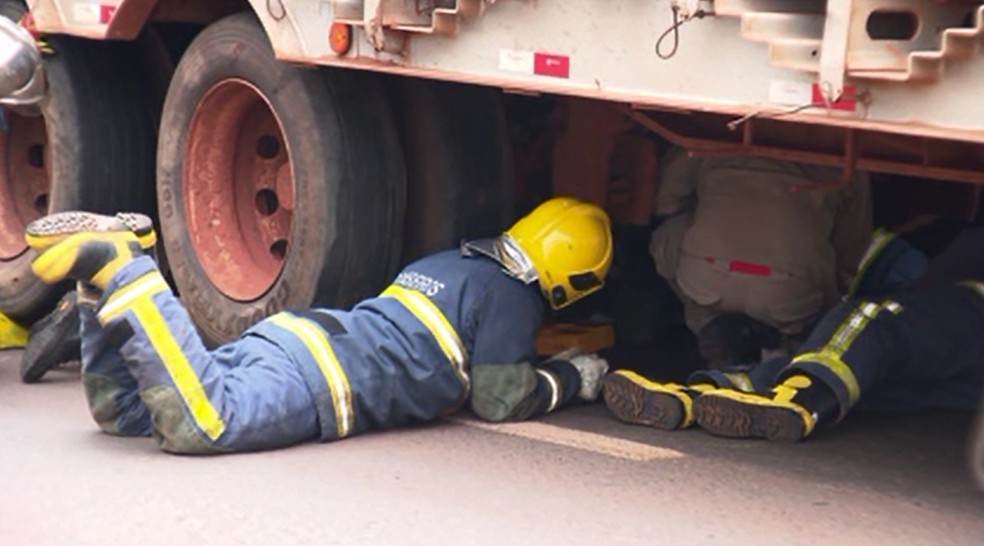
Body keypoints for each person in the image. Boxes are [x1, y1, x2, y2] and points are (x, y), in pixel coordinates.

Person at [24, 197, 614, 454]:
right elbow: (498, 398)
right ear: (573, 277)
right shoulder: (514, 295)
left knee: (129, 415)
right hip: (321, 378)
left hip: (295, 340)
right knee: (205, 425)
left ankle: (93, 283)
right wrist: (573, 378)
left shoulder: (452, 260)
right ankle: (127, 266)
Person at [604, 224, 984, 441]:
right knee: (863, 378)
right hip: (966, 385)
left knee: (869, 322)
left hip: (972, 309)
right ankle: (699, 397)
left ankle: (798, 398)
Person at [649, 148, 873, 368]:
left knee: (669, 234)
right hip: (790, 293)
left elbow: (664, 201)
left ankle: (706, 327)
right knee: (827, 273)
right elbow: (852, 245)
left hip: (708, 280)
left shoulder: (714, 127)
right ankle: (789, 359)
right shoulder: (846, 151)